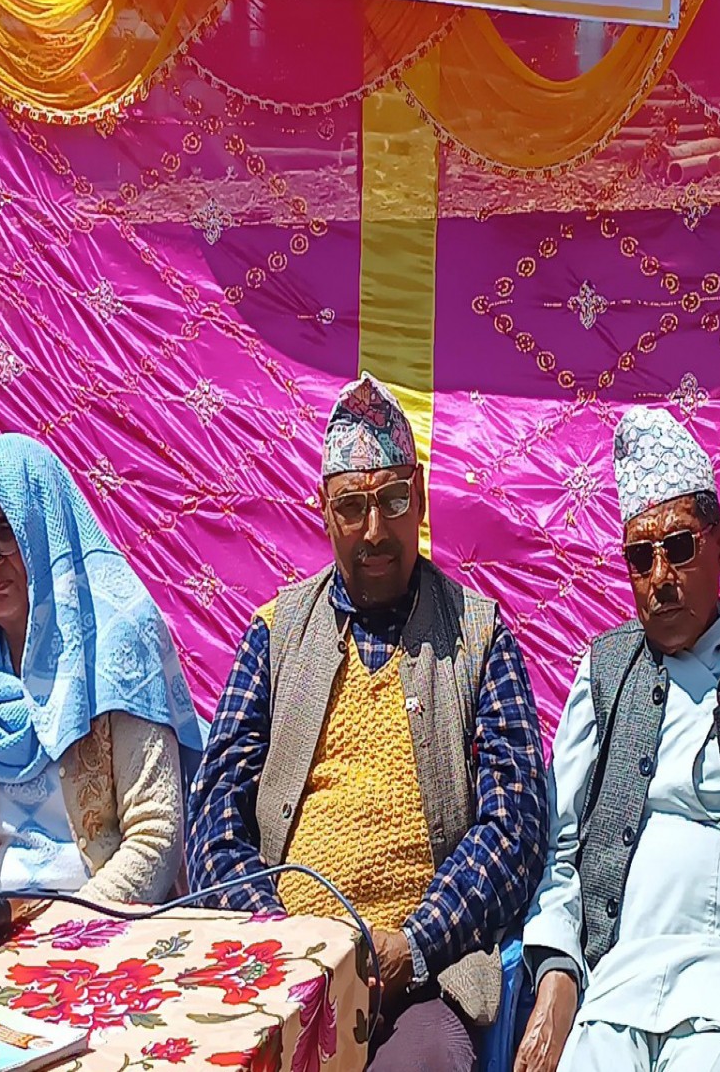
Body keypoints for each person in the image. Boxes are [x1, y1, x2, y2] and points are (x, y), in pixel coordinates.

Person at [187, 373, 550, 1072]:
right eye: (353, 506)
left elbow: (515, 827)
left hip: (423, 976)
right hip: (278, 963)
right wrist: (282, 941)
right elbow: (214, 812)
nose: (376, 530)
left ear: (420, 497)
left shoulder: (479, 637)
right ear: (324, 512)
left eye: (393, 500)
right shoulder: (274, 633)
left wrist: (413, 945)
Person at [515, 407, 720, 1072]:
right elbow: (559, 843)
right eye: (641, 557)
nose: (661, 576)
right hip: (616, 975)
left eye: (679, 547)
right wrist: (557, 971)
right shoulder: (604, 671)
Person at [0, 433, 205, 901]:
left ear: (44, 533)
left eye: (5, 533)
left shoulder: (118, 648)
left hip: (103, 923)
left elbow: (156, 834)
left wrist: (74, 928)